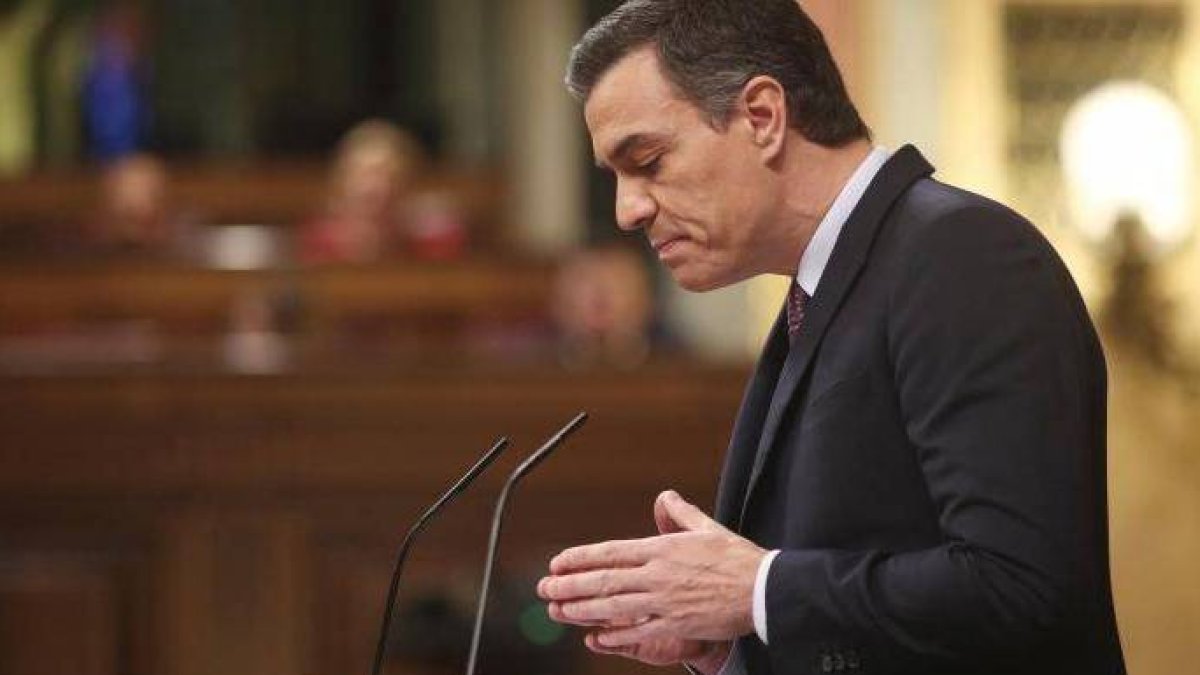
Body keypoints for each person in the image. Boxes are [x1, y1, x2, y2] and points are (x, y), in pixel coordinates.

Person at [536, 2, 1126, 675]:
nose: (628, 209)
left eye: (647, 160)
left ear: (762, 116)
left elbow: (1022, 587)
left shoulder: (962, 255)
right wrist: (735, 636)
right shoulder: (821, 289)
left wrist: (758, 592)